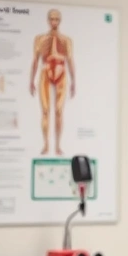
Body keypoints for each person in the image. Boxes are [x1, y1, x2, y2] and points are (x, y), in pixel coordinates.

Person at [30, 8, 75, 155]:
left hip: (61, 73)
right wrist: (31, 80)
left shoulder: (66, 40)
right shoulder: (40, 39)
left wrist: (74, 81)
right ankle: (46, 144)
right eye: (51, 19)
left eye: (56, 19)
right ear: (48, 20)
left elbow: (70, 60)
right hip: (46, 72)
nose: (54, 22)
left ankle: (58, 146)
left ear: (59, 21)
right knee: (45, 110)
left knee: (59, 111)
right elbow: (35, 60)